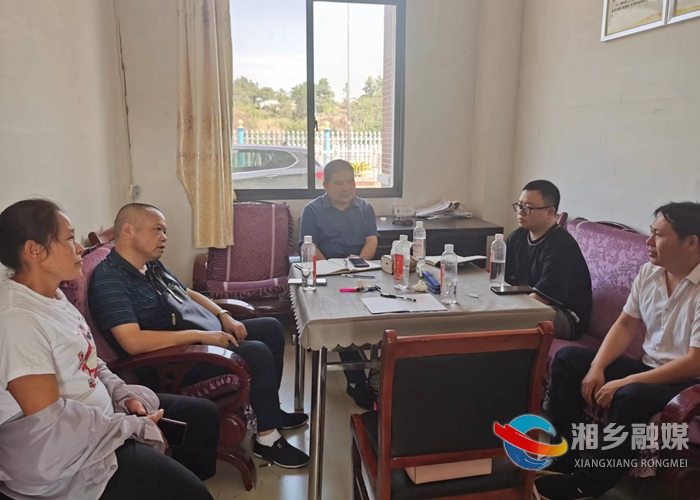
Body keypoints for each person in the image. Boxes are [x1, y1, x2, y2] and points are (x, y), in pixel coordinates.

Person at [0, 199, 217, 500]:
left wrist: (122, 394)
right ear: (35, 251)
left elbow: (89, 361)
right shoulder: (17, 320)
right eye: (69, 238)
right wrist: (129, 426)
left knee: (202, 417)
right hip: (66, 454)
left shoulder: (54, 296)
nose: (80, 248)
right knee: (192, 492)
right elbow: (50, 421)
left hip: (102, 419)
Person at [89, 203, 309, 469]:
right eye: (157, 229)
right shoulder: (109, 280)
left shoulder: (149, 265)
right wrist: (200, 336)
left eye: (165, 231)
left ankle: (270, 412)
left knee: (271, 328)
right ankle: (267, 440)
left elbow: (185, 292)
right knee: (257, 352)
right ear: (128, 230)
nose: (164, 237)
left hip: (189, 338)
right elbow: (132, 342)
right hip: (169, 363)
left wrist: (222, 315)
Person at [535, 202, 700, 500]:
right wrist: (597, 367)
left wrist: (624, 381)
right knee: (568, 360)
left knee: (629, 395)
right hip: (649, 366)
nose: (649, 242)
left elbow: (693, 363)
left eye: (659, 235)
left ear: (691, 242)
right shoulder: (650, 272)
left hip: (687, 382)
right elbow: (625, 324)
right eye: (650, 232)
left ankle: (588, 485)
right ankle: (566, 458)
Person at [299, 159, 378, 410]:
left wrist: (357, 265)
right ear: (326, 185)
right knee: (344, 316)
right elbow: (309, 246)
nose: (346, 188)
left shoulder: (365, 208)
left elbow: (371, 241)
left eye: (350, 182)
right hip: (327, 272)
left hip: (360, 270)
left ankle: (379, 373)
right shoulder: (312, 210)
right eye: (339, 183)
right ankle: (356, 381)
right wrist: (333, 268)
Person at [505, 180, 592, 341]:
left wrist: (504, 309)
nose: (521, 212)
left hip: (564, 315)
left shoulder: (562, 245)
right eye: (519, 205)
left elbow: (542, 298)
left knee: (503, 320)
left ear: (549, 212)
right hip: (529, 303)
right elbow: (500, 278)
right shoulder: (518, 237)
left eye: (528, 207)